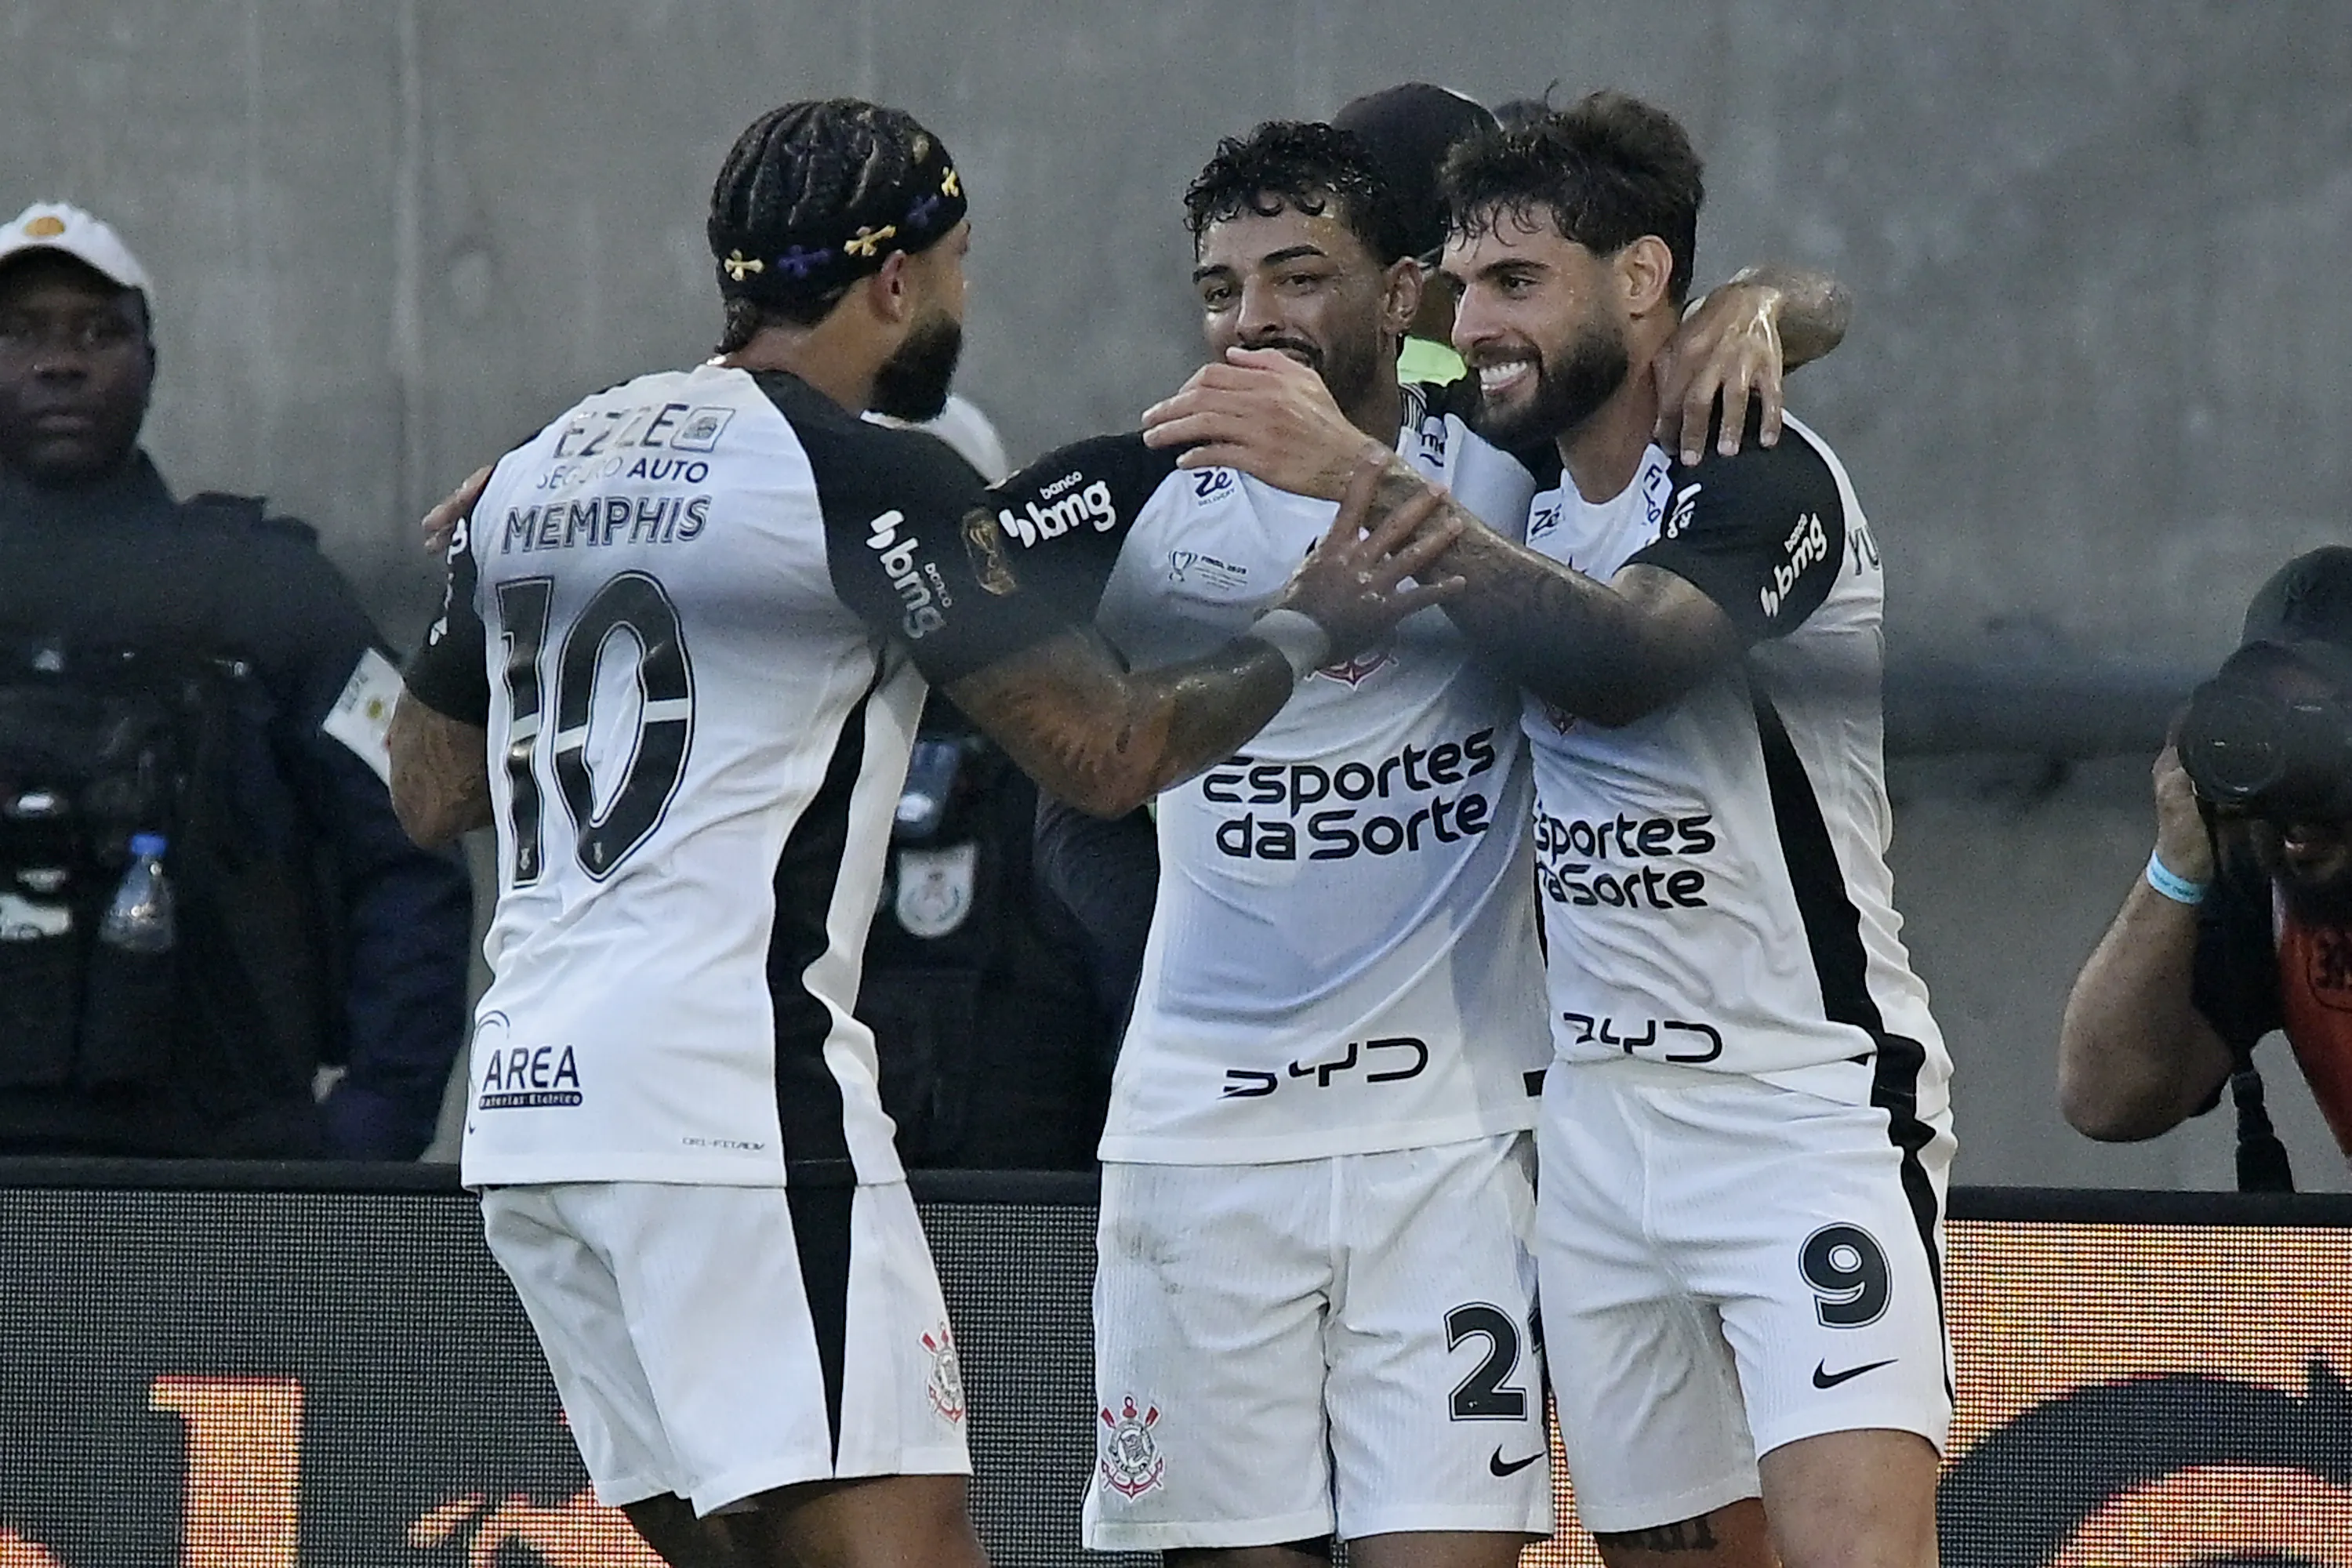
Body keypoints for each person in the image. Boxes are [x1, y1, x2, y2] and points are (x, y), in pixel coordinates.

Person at [386, 99, 1454, 1568]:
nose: (960, 296)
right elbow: (1108, 753)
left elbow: (428, 794)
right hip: (730, 1098)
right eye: (955, 264)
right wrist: (1306, 621)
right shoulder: (871, 473)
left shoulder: (541, 463)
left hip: (530, 1109)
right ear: (897, 280)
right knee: (906, 1538)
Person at [1004, 120, 1846, 1568]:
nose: (1255, 317)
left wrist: (1760, 306)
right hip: (1207, 1144)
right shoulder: (1141, 485)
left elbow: (1675, 337)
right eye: (1219, 290)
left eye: (1298, 275)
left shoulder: (1498, 457)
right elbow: (901, 560)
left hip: (1449, 1145)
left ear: (1404, 297)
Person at [0, 200, 472, 1159]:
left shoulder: (263, 587)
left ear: (151, 360)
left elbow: (411, 844)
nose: (61, 361)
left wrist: (370, 1129)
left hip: (219, 1173)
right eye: (19, 333)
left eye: (100, 331)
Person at [2060, 545, 2352, 1175]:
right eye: (2280, 731)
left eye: (2326, 733)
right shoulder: (2276, 891)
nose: (2304, 775)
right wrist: (2179, 864)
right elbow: (2105, 1098)